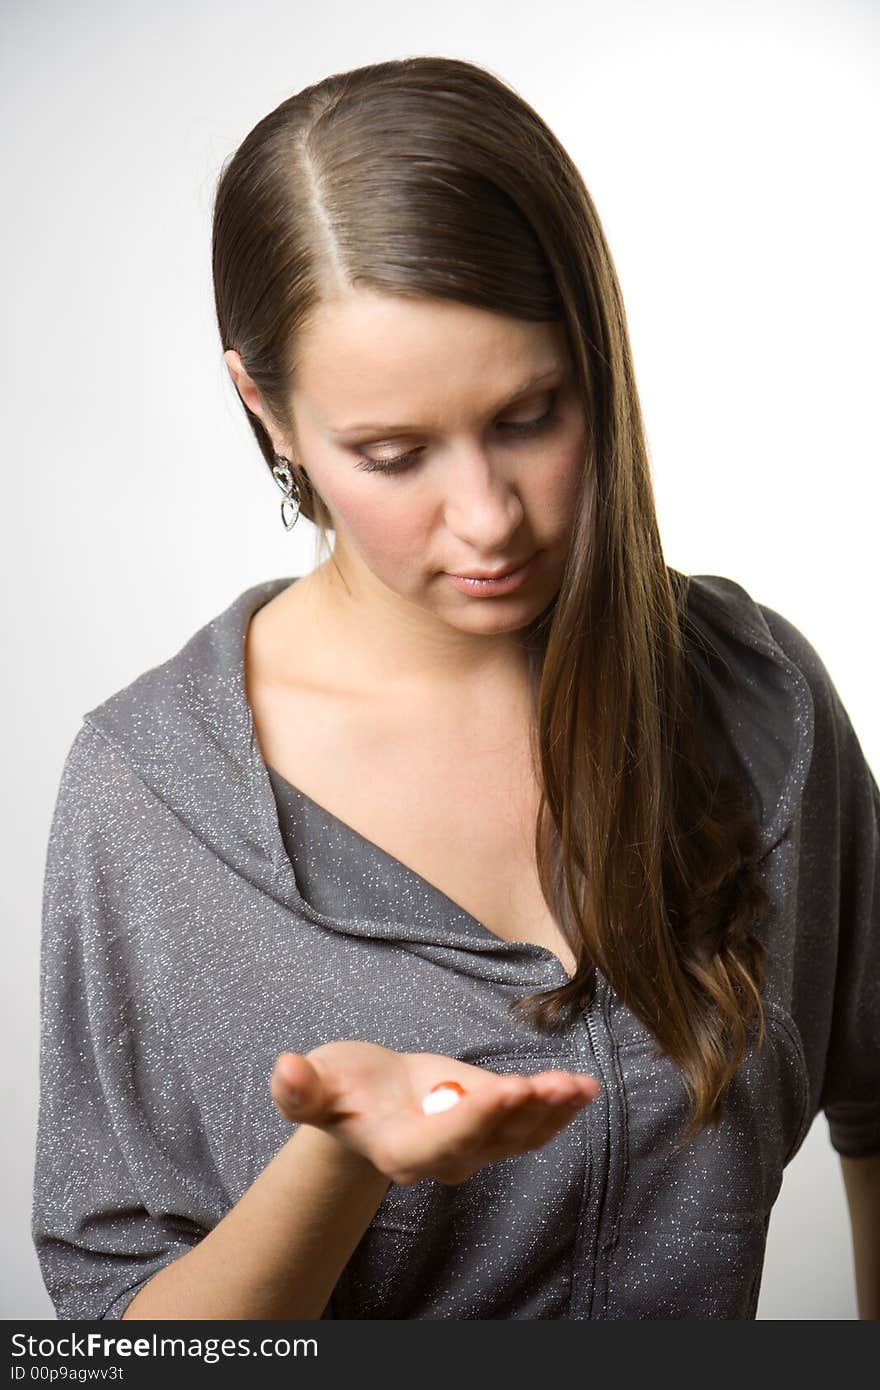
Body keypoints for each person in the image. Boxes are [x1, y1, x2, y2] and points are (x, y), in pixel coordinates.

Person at [32, 55, 879, 1322]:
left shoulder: (760, 703)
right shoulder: (154, 798)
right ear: (265, 410)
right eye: (392, 452)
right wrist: (342, 1159)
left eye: (531, 414)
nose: (487, 519)